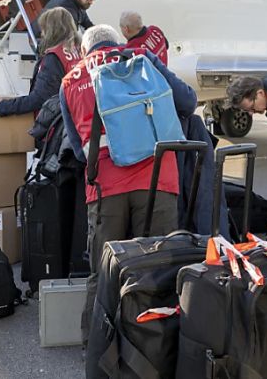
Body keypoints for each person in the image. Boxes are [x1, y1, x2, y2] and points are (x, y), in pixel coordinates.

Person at [59, 25, 197, 342]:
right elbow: (187, 102)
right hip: (158, 179)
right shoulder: (142, 58)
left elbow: (79, 152)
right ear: (117, 43)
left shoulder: (71, 80)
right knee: (159, 266)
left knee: (104, 270)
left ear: (84, 50)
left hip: (106, 187)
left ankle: (95, 348)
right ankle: (157, 345)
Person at [0, 8, 81, 116]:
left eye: (44, 30)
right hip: (78, 116)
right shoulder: (79, 52)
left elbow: (40, 98)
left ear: (51, 31)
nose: (42, 34)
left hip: (59, 121)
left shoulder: (53, 58)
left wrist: (4, 107)